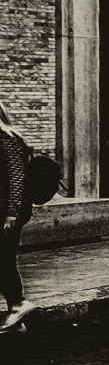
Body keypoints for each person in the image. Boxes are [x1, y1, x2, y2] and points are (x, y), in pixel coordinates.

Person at [0, 110, 31, 332]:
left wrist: (11, 213)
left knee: (5, 260)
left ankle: (18, 305)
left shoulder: (7, 138)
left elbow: (16, 177)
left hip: (6, 212)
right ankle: (17, 317)